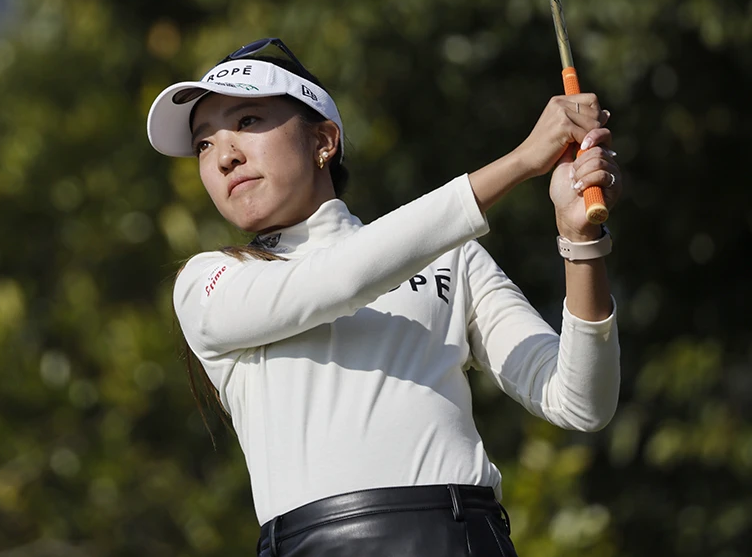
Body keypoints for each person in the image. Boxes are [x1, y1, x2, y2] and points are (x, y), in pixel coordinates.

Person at [145, 38, 621, 557]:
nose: (225, 157)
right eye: (204, 144)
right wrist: (522, 161)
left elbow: (581, 401)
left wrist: (580, 242)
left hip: (463, 538)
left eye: (248, 121)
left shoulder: (449, 255)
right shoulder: (210, 281)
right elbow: (340, 281)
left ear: (324, 140)